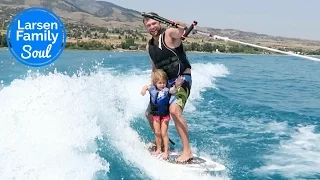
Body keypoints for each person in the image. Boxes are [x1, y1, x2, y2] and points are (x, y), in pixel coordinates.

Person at [142, 12, 193, 163]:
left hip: (182, 79)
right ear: (146, 27)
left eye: (154, 23)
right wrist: (151, 87)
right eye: (148, 25)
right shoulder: (149, 46)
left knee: (174, 111)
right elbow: (154, 68)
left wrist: (177, 23)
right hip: (164, 84)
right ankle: (162, 143)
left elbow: (183, 30)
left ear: (159, 23)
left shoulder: (169, 33)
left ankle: (187, 151)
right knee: (150, 113)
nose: (152, 27)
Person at [140, 69, 181, 160]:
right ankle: (158, 149)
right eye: (160, 83)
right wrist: (143, 90)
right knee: (157, 132)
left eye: (164, 82)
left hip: (165, 116)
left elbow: (173, 90)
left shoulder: (167, 90)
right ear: (155, 83)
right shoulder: (152, 88)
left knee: (163, 133)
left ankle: (166, 151)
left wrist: (177, 85)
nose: (162, 85)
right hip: (156, 115)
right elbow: (146, 87)